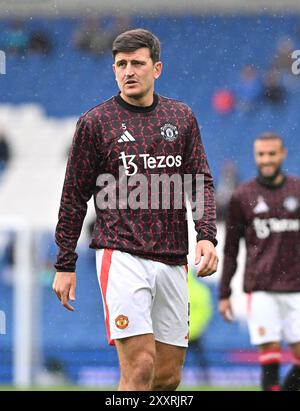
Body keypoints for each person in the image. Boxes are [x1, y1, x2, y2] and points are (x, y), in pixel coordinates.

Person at [52, 28, 218, 391]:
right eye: (121, 64)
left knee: (167, 378)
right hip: (121, 253)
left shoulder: (182, 117)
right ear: (113, 70)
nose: (129, 71)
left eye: (137, 63)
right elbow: (73, 195)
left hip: (173, 259)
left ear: (156, 69)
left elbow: (199, 180)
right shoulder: (96, 123)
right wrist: (65, 262)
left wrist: (206, 235)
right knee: (140, 367)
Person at [218, 132, 300, 391]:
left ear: (282, 154)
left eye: (271, 153)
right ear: (255, 156)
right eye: (261, 154)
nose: (266, 159)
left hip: (297, 288)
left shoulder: (298, 191)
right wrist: (224, 293)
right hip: (261, 288)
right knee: (270, 361)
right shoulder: (243, 196)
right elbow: (230, 249)